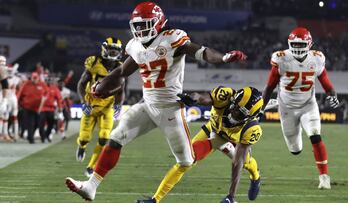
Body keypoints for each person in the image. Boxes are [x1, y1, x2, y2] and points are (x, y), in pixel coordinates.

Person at [65, 1, 247, 201]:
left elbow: (202, 51)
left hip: (170, 109)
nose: (141, 30)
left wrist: (222, 58)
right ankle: (91, 186)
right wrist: (103, 87)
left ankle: (217, 142)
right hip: (147, 105)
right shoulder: (135, 46)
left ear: (159, 22)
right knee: (116, 137)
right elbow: (122, 73)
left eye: (145, 24)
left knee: (187, 161)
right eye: (138, 25)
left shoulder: (172, 38)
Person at [136, 86, 263, 203]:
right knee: (186, 161)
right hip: (213, 129)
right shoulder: (224, 96)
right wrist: (192, 98)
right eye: (235, 106)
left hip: (233, 139)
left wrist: (231, 196)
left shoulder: (252, 129)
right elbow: (202, 97)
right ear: (233, 99)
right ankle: (155, 200)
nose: (234, 112)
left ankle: (255, 176)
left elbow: (237, 162)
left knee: (245, 162)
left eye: (240, 112)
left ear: (249, 117)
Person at [260, 27, 339, 190]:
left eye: (300, 44)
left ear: (309, 44)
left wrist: (333, 95)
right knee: (295, 149)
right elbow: (269, 87)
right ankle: (277, 105)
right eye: (294, 44)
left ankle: (324, 177)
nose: (296, 48)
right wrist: (260, 107)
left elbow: (325, 81)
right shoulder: (281, 58)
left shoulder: (316, 59)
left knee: (315, 136)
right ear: (289, 43)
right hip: (287, 107)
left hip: (308, 105)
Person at [75, 37, 126, 177]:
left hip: (107, 107)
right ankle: (82, 146)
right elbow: (81, 84)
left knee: (104, 137)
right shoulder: (94, 63)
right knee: (85, 137)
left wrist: (118, 105)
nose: (113, 53)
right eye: (111, 50)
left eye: (116, 51)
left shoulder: (120, 67)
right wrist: (83, 102)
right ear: (104, 49)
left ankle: (91, 166)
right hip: (90, 105)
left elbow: (121, 90)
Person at [17, 72, 48, 144]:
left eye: (36, 78)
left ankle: (40, 137)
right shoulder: (26, 84)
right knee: (30, 123)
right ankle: (31, 139)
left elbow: (47, 92)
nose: (34, 80)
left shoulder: (42, 84)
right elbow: (20, 94)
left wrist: (45, 98)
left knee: (39, 124)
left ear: (38, 78)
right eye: (33, 78)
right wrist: (19, 103)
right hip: (28, 108)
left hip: (39, 109)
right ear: (31, 78)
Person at [39, 77, 63, 142]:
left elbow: (58, 99)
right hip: (42, 109)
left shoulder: (54, 89)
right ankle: (43, 137)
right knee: (41, 124)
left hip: (51, 109)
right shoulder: (41, 87)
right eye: (47, 81)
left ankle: (46, 135)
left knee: (51, 124)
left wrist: (60, 107)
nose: (48, 82)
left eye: (49, 81)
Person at [0, 55, 11, 141]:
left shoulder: (2, 69)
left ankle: (2, 134)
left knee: (3, 115)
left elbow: (5, 85)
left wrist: (4, 100)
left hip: (1, 95)